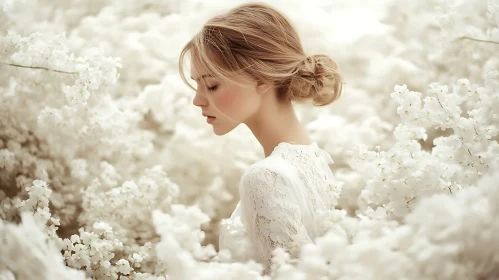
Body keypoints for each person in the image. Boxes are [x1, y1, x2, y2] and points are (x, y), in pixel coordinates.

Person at [178, 2, 342, 275]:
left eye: (211, 85)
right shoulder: (315, 159)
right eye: (197, 85)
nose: (197, 100)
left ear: (262, 78)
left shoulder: (266, 177)